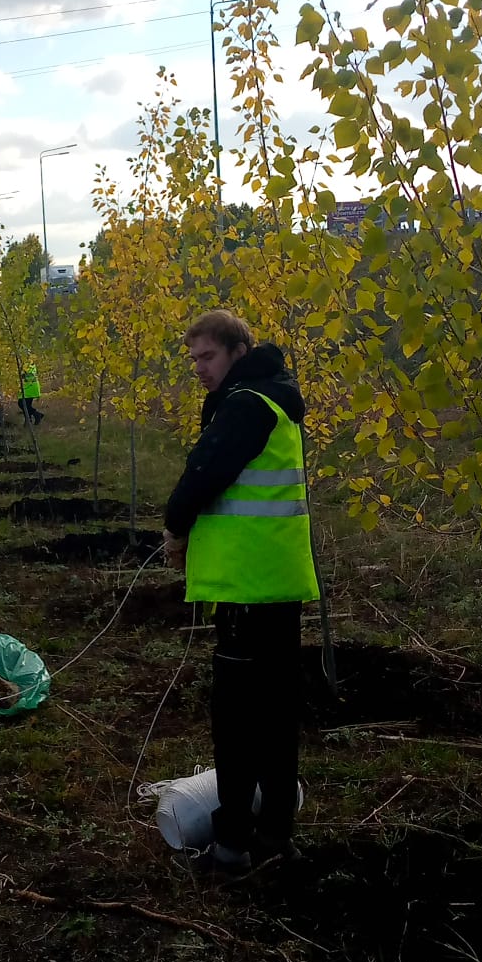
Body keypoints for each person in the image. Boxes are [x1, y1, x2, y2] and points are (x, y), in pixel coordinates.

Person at [161, 309, 319, 878]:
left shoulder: (247, 404)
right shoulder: (275, 401)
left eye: (207, 357)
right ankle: (277, 835)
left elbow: (202, 476)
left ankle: (230, 848)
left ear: (237, 351)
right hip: (276, 586)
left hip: (247, 591)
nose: (199, 369)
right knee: (276, 717)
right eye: (194, 360)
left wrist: (174, 527)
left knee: (237, 722)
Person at [18, 360, 45, 427]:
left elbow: (27, 376)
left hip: (29, 388)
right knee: (26, 405)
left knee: (22, 404)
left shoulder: (27, 364)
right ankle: (28, 421)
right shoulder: (29, 363)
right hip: (29, 388)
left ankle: (36, 415)